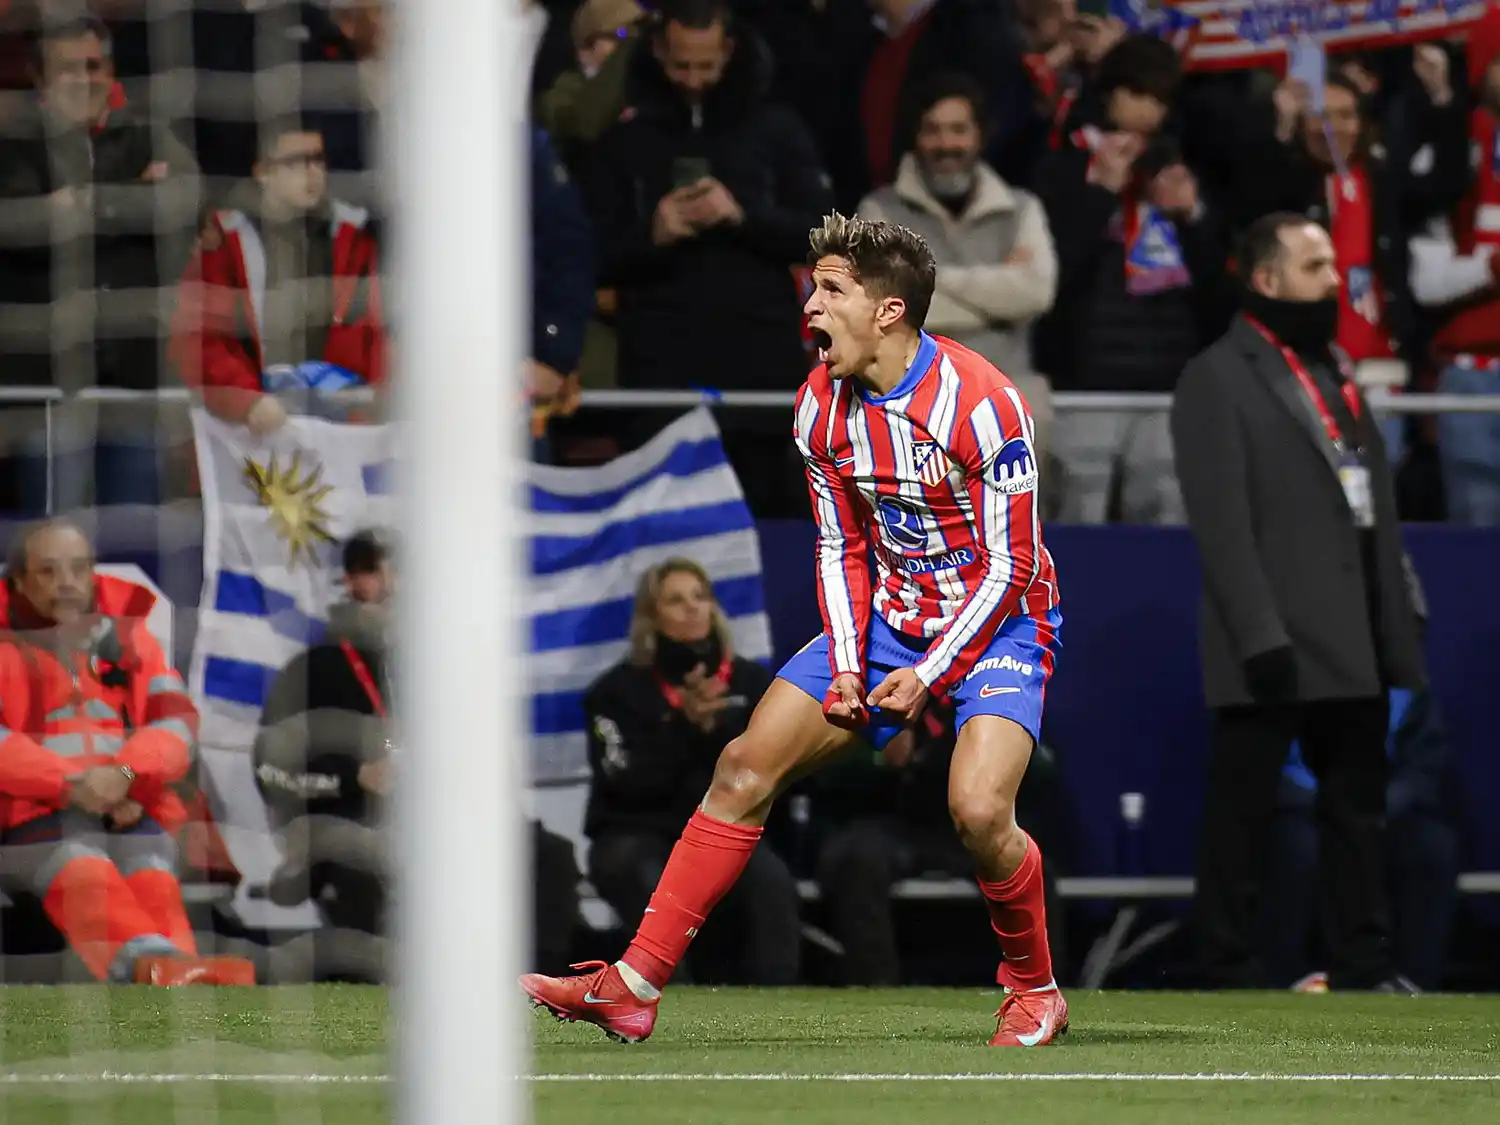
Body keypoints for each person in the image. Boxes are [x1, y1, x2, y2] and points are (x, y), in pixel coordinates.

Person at [522, 212, 1067, 1047]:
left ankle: (1034, 989)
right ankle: (632, 986)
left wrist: (926, 676)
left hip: (999, 625)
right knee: (741, 766)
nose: (810, 305)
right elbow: (842, 544)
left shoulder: (986, 404)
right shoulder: (819, 403)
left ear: (889, 310)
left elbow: (1011, 565)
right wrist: (850, 662)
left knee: (978, 809)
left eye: (831, 289)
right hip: (892, 618)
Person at [1170, 212, 1427, 992]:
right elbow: (1223, 524)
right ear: (1267, 278)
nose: (1332, 283)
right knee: (1241, 815)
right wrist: (1259, 635)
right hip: (1274, 636)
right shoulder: (1215, 376)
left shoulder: (1334, 368)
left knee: (1358, 813)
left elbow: (1373, 500)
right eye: (1315, 267)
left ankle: (1364, 962)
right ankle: (1227, 966)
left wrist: (1401, 608)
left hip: (1353, 631)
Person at [0, 518, 254, 985]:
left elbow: (177, 724)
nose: (68, 584)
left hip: (129, 802)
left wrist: (127, 774)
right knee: (83, 866)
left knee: (151, 868)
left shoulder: (132, 640)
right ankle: (151, 968)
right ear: (18, 581)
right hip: (29, 815)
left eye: (79, 569)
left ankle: (181, 968)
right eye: (49, 572)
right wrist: (72, 784)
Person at [583, 558, 796, 985]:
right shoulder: (614, 693)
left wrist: (717, 729)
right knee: (643, 874)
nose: (693, 608)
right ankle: (658, 1000)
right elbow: (624, 782)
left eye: (701, 597)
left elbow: (777, 775)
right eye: (676, 600)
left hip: (723, 831)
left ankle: (778, 1006)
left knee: (770, 881)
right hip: (636, 833)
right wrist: (682, 726)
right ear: (651, 615)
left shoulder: (753, 685)